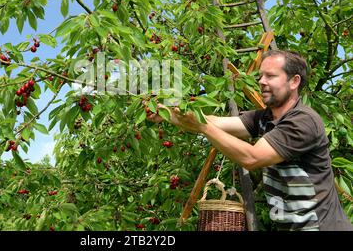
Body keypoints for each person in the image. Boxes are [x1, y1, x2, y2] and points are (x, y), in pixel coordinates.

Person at [148, 50, 352, 231]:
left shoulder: (302, 121)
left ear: (294, 81)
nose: (262, 81)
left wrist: (202, 126)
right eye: (261, 75)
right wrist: (170, 114)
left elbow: (252, 157)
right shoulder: (264, 118)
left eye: (271, 76)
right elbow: (216, 122)